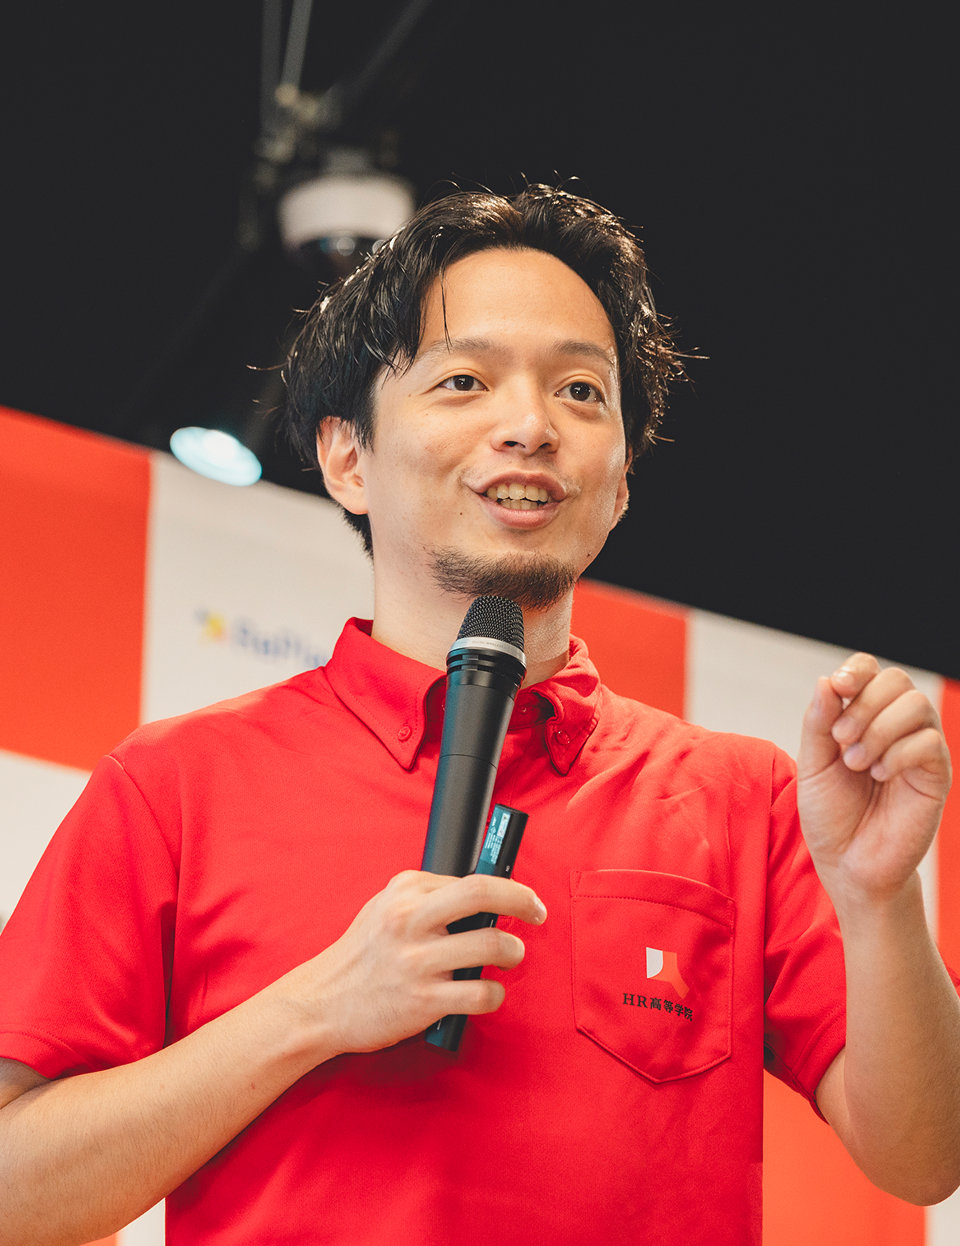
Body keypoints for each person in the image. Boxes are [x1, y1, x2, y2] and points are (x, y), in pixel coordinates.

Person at [0, 184, 958, 1246]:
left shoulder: (745, 797)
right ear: (348, 459)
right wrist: (311, 1011)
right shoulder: (178, 781)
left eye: (582, 392)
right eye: (464, 380)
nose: (531, 426)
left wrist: (880, 899)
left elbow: (925, 1156)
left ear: (621, 483)